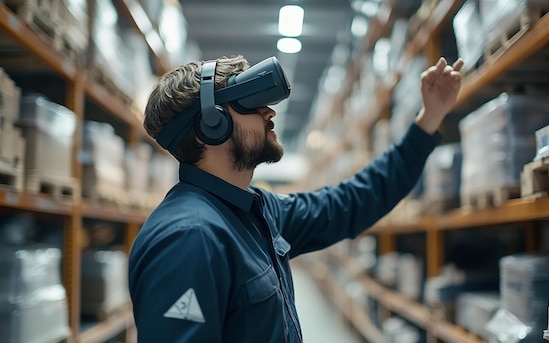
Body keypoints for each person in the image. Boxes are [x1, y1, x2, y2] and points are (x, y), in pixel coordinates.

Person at [129, 54, 464, 343]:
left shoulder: (257, 211)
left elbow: (352, 201)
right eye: (250, 104)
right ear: (211, 125)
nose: (269, 113)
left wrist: (429, 119)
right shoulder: (189, 238)